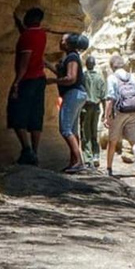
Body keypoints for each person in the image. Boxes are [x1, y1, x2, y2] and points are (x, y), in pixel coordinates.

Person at [7, 7, 47, 166]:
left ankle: (27, 150)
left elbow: (24, 63)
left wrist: (16, 83)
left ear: (28, 18)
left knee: (17, 113)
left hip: (27, 80)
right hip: (40, 79)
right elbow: (28, 34)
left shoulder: (27, 37)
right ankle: (35, 153)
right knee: (36, 115)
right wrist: (19, 25)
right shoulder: (41, 33)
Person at [46, 33, 88, 173]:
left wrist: (52, 82)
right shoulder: (72, 56)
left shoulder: (72, 57)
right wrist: (46, 64)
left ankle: (79, 162)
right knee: (73, 130)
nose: (60, 41)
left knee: (65, 129)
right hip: (78, 94)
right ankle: (74, 162)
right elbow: (62, 74)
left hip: (73, 93)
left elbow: (70, 78)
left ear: (68, 44)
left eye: (63, 40)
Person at [104, 55, 135, 178]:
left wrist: (106, 116)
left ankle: (109, 169)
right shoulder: (132, 77)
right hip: (133, 111)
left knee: (113, 141)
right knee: (134, 142)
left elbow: (110, 99)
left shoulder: (112, 78)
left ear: (112, 66)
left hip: (118, 112)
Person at [82, 56, 107, 168]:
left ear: (86, 64)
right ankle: (96, 155)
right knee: (94, 132)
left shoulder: (83, 77)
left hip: (85, 108)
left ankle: (88, 158)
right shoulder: (100, 78)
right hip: (96, 108)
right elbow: (104, 97)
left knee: (85, 133)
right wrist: (105, 113)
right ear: (94, 64)